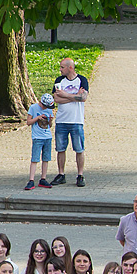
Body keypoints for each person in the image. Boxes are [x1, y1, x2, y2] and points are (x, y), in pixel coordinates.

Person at [52, 56, 91, 186]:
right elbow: (56, 99)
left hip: (76, 121)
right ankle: (61, 174)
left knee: (79, 148)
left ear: (70, 67)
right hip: (62, 120)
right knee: (60, 148)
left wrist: (66, 95)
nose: (60, 70)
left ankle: (80, 175)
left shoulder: (81, 80)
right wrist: (75, 97)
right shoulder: (59, 81)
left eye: (62, 67)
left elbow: (83, 98)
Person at [26, 90, 56, 190]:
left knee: (46, 158)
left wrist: (50, 120)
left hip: (47, 137)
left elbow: (49, 126)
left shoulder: (49, 109)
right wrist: (38, 117)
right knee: (35, 158)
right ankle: (31, 179)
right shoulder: (33, 108)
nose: (47, 108)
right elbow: (28, 122)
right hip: (37, 137)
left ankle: (43, 178)